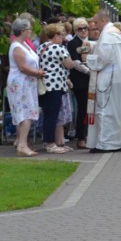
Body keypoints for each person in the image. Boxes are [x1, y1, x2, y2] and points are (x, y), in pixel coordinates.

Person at [85, 12, 121, 152]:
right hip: (116, 76)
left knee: (105, 110)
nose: (95, 27)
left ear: (103, 20)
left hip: (108, 77)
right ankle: (115, 141)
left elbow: (104, 57)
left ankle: (106, 143)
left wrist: (89, 59)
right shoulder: (115, 32)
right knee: (114, 110)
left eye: (96, 23)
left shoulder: (108, 34)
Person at [7, 18, 43, 156]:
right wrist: (38, 73)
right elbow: (22, 67)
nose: (31, 31)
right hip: (20, 84)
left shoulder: (24, 45)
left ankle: (23, 143)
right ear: (22, 31)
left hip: (28, 83)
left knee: (28, 112)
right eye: (28, 29)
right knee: (25, 113)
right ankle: (22, 145)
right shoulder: (16, 47)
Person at [37, 24, 75, 154]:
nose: (63, 37)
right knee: (53, 115)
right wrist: (76, 62)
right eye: (60, 34)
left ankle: (50, 141)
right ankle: (50, 144)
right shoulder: (59, 48)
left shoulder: (41, 47)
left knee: (48, 115)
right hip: (56, 85)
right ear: (55, 36)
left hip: (44, 85)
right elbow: (69, 64)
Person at [67, 18, 92, 150]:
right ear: (75, 30)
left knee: (89, 108)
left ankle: (88, 134)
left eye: (85, 28)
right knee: (83, 108)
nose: (83, 31)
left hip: (89, 80)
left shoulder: (89, 42)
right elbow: (75, 63)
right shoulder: (72, 43)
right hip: (80, 80)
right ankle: (81, 137)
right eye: (80, 29)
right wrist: (89, 72)